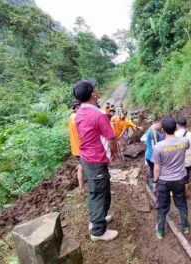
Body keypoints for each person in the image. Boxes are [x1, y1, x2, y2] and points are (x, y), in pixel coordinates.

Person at [73, 78, 120, 241]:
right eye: (95, 88)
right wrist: (114, 153)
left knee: (97, 191)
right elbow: (111, 138)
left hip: (86, 158)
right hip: (96, 160)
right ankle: (98, 231)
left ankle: (97, 219)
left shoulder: (79, 113)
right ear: (93, 94)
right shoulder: (98, 114)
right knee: (99, 194)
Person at [152, 116, 190, 239]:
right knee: (182, 203)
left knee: (162, 206)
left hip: (164, 181)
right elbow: (187, 149)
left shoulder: (158, 147)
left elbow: (156, 168)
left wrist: (155, 181)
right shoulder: (184, 141)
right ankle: (185, 227)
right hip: (180, 179)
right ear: (176, 127)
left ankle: (160, 231)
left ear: (163, 129)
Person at [67, 99, 84, 194]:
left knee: (81, 166)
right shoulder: (78, 117)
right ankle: (82, 188)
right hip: (82, 147)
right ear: (77, 106)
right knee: (83, 167)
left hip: (75, 148)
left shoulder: (70, 117)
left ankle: (82, 187)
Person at [175, 117, 191, 182]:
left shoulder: (174, 135)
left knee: (177, 179)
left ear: (177, 125)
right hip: (187, 162)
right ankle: (185, 188)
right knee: (185, 179)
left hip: (176, 162)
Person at [145, 117, 164, 190]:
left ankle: (151, 186)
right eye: (161, 124)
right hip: (152, 156)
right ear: (158, 123)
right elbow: (155, 147)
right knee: (156, 171)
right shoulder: (153, 133)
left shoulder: (151, 130)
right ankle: (154, 187)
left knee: (151, 170)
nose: (162, 126)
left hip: (149, 155)